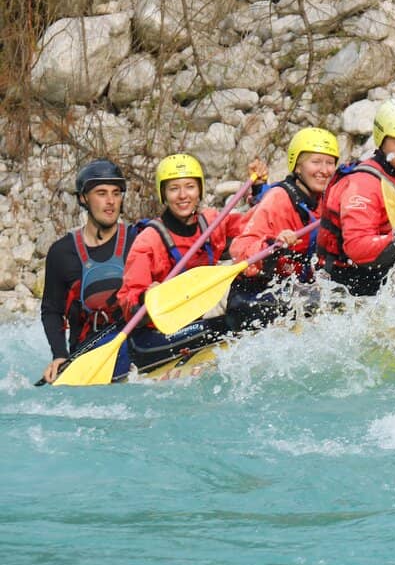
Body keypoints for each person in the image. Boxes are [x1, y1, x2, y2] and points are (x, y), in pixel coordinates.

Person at [116, 154, 250, 370]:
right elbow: (128, 301)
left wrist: (261, 189)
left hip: (198, 316)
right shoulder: (148, 241)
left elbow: (254, 228)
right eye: (173, 189)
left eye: (190, 187)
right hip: (158, 333)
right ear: (164, 194)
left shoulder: (213, 221)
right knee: (228, 320)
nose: (182, 195)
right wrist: (147, 297)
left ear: (199, 191)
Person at [317, 99, 395, 296]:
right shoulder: (363, 184)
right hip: (351, 286)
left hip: (386, 275)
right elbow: (356, 247)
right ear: (382, 141)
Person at [227, 127, 340, 328]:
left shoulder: (325, 201)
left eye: (329, 163)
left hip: (294, 289)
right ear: (298, 167)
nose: (324, 170)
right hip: (253, 296)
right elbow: (240, 251)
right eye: (316, 162)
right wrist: (273, 244)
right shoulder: (278, 199)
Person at [39, 160, 136, 383]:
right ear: (83, 198)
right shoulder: (61, 252)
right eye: (101, 193)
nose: (110, 201)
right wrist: (59, 355)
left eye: (116, 193)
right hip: (87, 352)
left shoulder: (138, 240)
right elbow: (52, 311)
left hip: (133, 341)